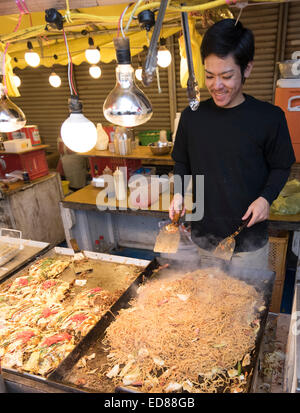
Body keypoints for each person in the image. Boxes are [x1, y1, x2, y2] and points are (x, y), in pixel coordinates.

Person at [169, 18, 295, 269]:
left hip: (247, 241)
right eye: (209, 76)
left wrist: (265, 199)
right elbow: (182, 161)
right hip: (203, 237)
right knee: (205, 305)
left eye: (226, 76)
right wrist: (179, 193)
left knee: (248, 305)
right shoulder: (192, 116)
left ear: (247, 69)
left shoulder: (269, 118)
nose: (216, 86)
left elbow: (282, 166)